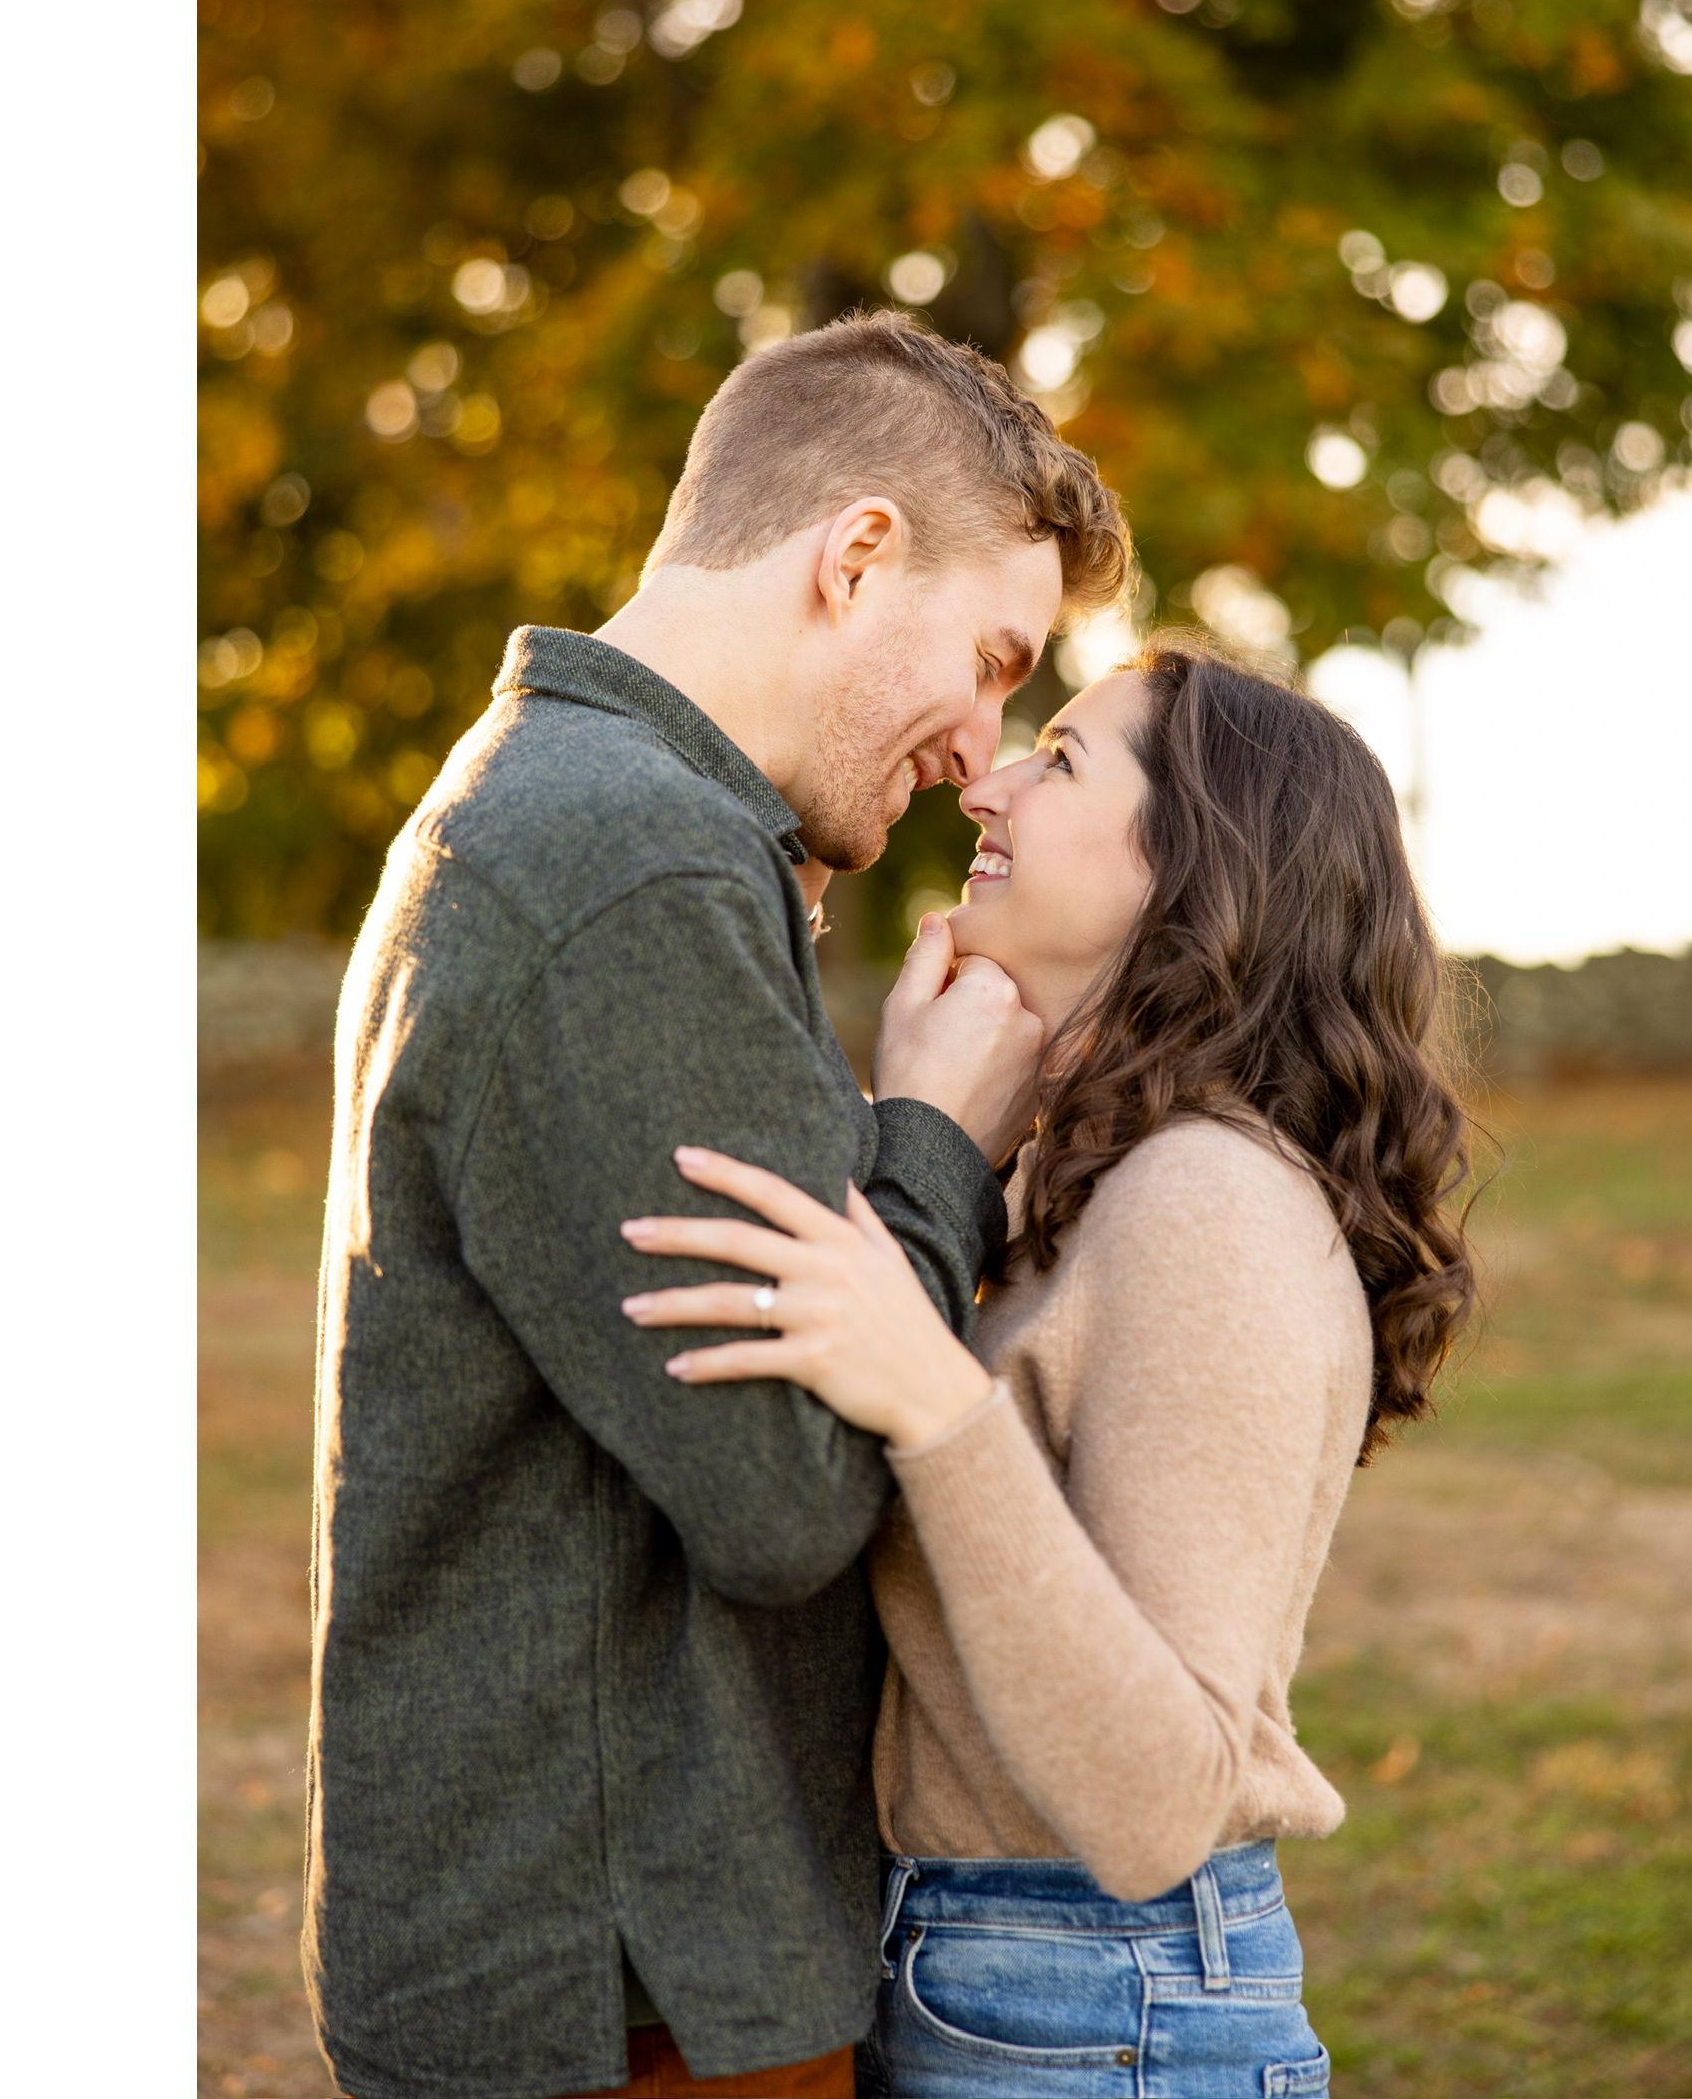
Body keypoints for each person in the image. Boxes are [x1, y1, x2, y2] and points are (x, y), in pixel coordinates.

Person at [303, 310, 1131, 2099]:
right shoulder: (631, 856)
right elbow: (788, 1489)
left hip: (595, 1948)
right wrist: (938, 1134)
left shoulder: (567, 805)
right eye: (993, 660)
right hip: (629, 1981)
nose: (982, 750)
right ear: (855, 556)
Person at [621, 640, 1478, 2096]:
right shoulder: (1078, 1181)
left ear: (1195, 868)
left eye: (1062, 756)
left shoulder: (1207, 1198)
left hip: (1098, 2000)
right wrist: (921, 1132)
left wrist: (931, 1391)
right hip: (999, 1974)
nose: (986, 784)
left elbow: (1156, 1803)